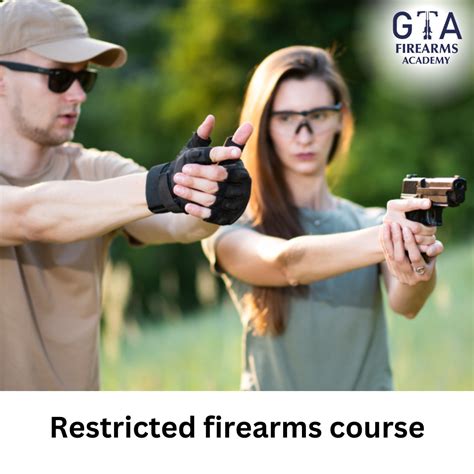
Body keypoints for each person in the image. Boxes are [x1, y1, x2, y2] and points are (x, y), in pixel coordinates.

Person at [0, 0, 252, 390]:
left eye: (85, 79)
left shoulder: (96, 170)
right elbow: (26, 214)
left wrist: (209, 196)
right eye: (58, 78)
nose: (78, 95)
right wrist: (164, 184)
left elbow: (178, 223)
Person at [201, 46, 444, 391]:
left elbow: (407, 304)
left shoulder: (368, 221)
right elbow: (287, 262)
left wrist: (418, 253)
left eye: (317, 115)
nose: (304, 134)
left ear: (339, 119)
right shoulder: (231, 225)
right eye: (286, 118)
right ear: (265, 126)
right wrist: (389, 235)